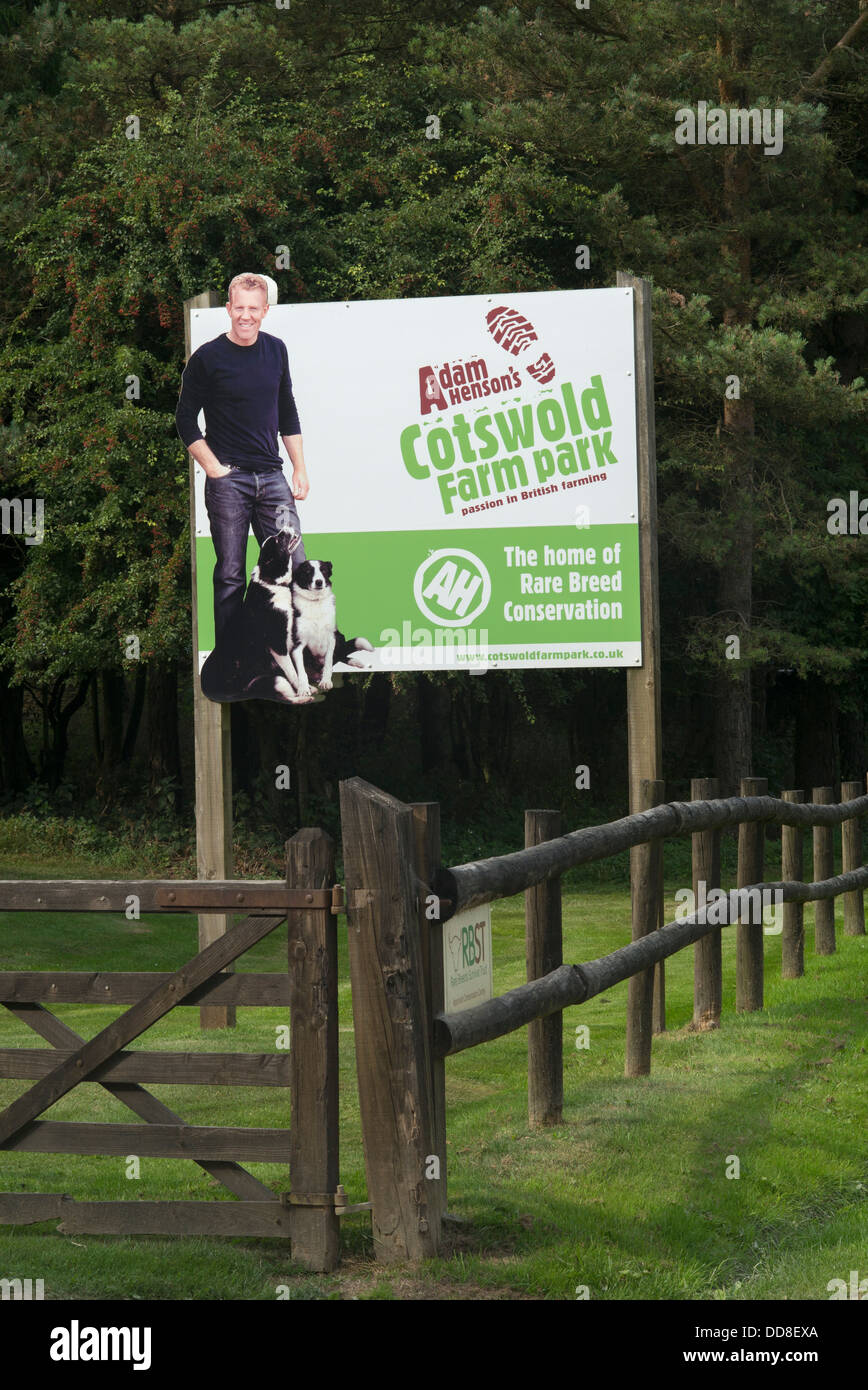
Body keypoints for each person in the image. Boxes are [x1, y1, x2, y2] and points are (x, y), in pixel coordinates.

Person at [175, 272, 309, 642]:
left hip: (272, 478)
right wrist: (213, 468)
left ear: (265, 311)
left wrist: (299, 467)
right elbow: (184, 418)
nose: (245, 315)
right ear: (228, 309)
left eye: (254, 308)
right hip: (229, 482)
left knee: (296, 567)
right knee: (232, 573)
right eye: (239, 308)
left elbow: (287, 410)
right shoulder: (207, 358)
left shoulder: (276, 349)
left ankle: (295, 654)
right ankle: (232, 659)